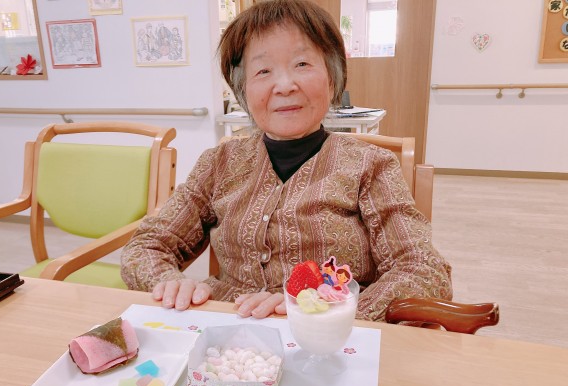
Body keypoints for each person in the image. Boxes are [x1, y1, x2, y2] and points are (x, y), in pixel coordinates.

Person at [120, 0, 452, 321]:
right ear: (243, 91)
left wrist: (324, 311)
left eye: (302, 64)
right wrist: (171, 284)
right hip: (229, 336)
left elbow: (424, 270)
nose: (284, 85)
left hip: (328, 342)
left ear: (333, 78)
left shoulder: (372, 166)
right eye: (263, 70)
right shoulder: (218, 163)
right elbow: (146, 247)